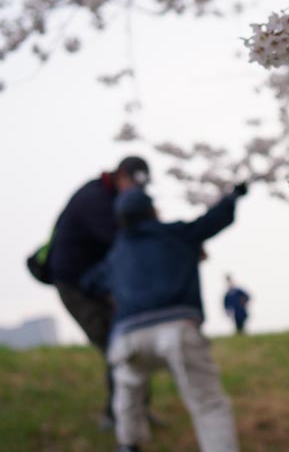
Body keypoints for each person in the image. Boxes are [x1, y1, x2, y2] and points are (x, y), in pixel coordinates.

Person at [82, 182, 248, 452]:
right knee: (208, 403)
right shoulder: (175, 234)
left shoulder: (117, 254)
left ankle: (128, 444)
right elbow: (213, 220)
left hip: (129, 334)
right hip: (177, 327)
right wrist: (232, 196)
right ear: (152, 211)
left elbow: (90, 282)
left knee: (128, 397)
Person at [46, 155, 150, 427]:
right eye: (134, 185)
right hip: (75, 286)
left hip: (99, 282)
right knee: (117, 346)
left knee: (131, 340)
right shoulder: (95, 200)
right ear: (121, 176)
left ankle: (134, 410)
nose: (137, 192)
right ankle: (118, 415)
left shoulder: (113, 198)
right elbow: (124, 239)